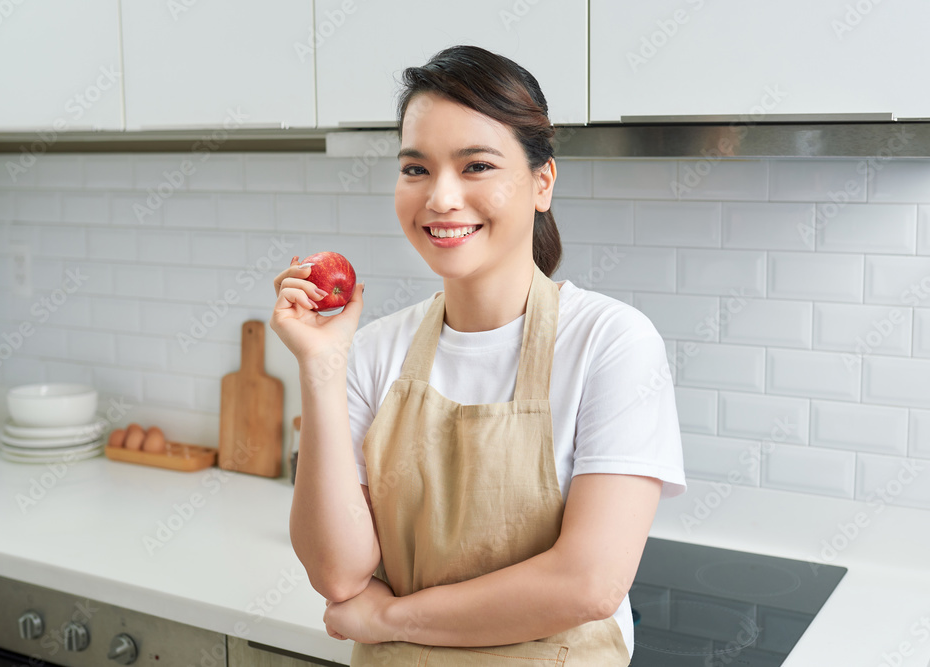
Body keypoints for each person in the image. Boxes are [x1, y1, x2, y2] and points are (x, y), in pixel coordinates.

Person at [271, 44, 686, 666]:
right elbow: (337, 574)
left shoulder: (611, 342)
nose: (440, 198)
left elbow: (588, 583)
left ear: (542, 182)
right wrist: (321, 370)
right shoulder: (374, 351)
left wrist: (387, 616)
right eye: (416, 169)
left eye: (476, 166)